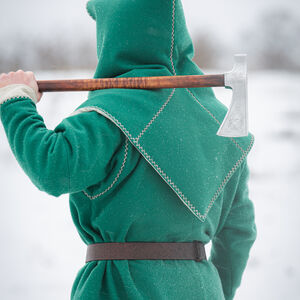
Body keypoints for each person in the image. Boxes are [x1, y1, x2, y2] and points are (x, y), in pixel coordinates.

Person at [0, 0, 257, 299]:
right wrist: (211, 291)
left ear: (111, 35)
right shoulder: (221, 125)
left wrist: (16, 103)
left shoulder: (108, 114)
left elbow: (54, 166)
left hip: (118, 288)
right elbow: (239, 232)